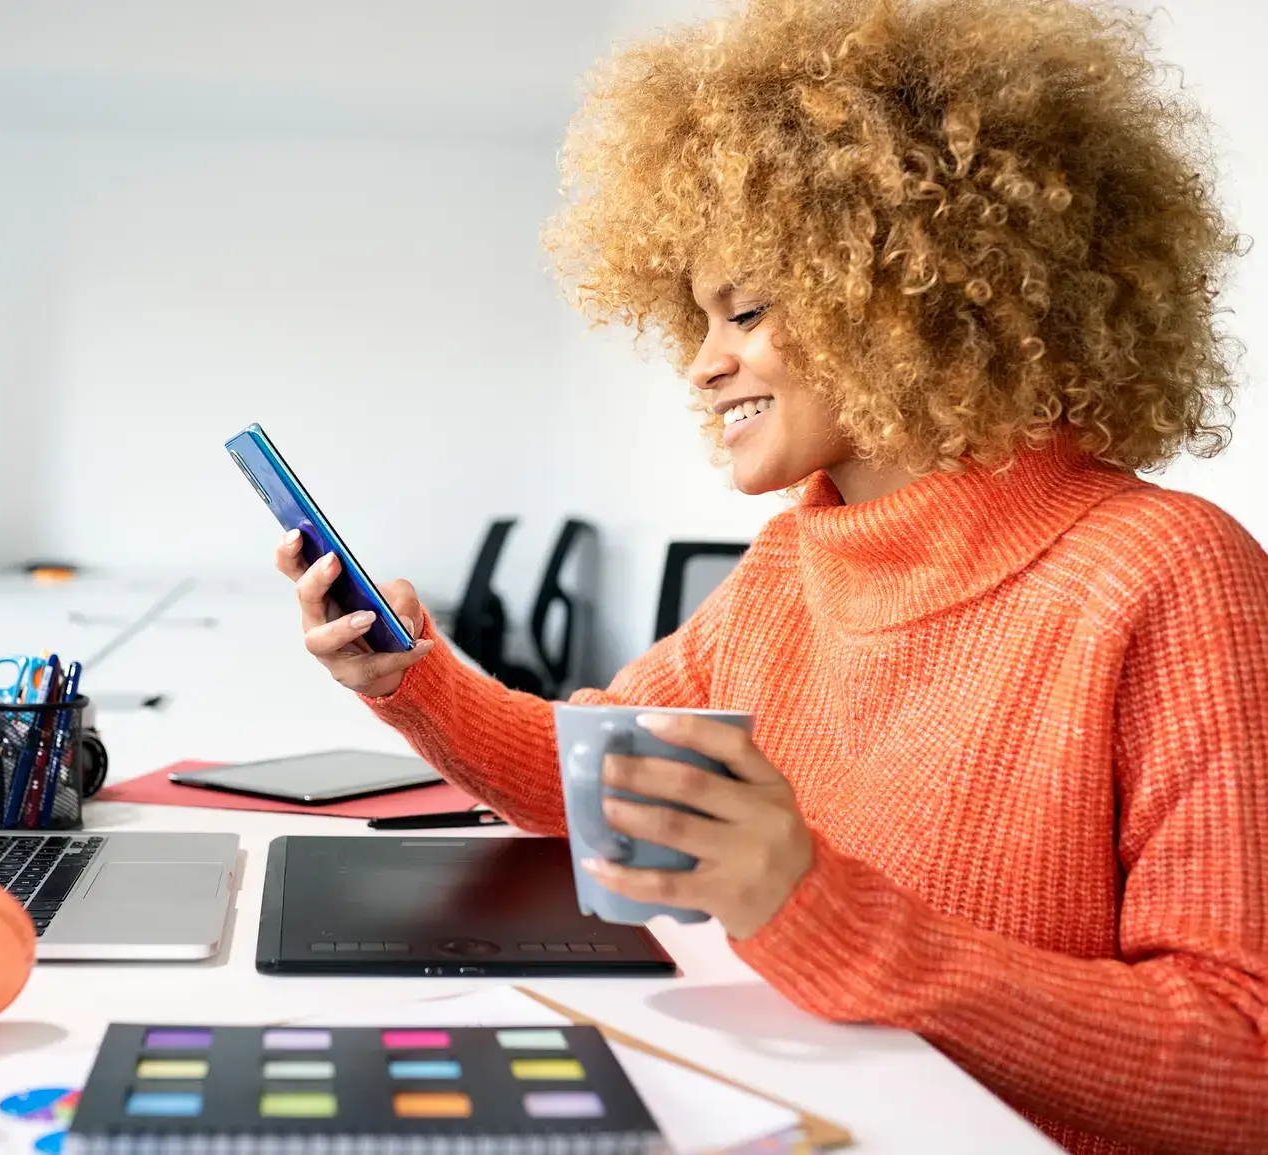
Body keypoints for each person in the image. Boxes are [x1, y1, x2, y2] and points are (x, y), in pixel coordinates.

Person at [273, 0, 1266, 1151]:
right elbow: (608, 784)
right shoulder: (793, 561)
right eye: (695, 318)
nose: (700, 365)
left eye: (743, 310)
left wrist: (814, 911)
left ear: (917, 292)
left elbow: (1241, 1061)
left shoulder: (1166, 576)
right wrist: (412, 681)